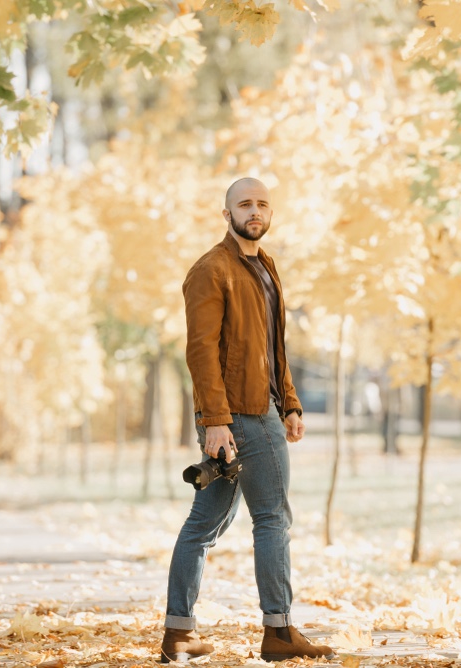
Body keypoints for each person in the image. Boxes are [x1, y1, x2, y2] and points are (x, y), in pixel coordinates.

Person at [159, 178, 335, 663]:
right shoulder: (211, 270)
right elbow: (200, 352)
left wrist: (292, 403)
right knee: (273, 520)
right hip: (242, 416)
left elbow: (272, 348)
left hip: (260, 410)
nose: (253, 211)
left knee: (205, 523)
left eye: (261, 204)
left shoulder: (265, 267)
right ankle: (279, 633)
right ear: (227, 213)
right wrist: (216, 420)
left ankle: (179, 634)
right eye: (244, 204)